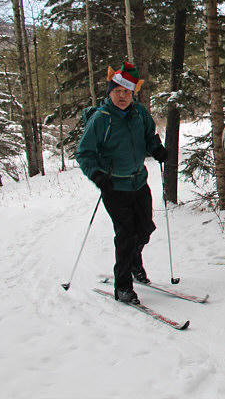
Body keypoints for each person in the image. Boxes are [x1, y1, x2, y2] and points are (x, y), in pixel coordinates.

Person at [76, 62, 167, 304]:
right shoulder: (101, 119)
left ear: (132, 93)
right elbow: (84, 153)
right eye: (117, 91)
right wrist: (97, 175)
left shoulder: (139, 113)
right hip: (114, 187)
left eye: (126, 91)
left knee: (144, 230)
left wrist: (156, 149)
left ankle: (135, 263)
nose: (122, 96)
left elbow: (149, 136)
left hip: (139, 182)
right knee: (125, 236)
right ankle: (123, 286)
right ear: (110, 93)